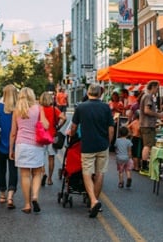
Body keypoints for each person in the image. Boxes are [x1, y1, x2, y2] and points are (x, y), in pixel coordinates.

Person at [70, 84, 114, 218]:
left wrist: (72, 137)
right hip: (102, 145)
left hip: (87, 145)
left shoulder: (81, 107)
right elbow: (111, 129)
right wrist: (108, 143)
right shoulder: (106, 107)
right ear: (100, 94)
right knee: (100, 173)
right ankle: (93, 201)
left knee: (87, 173)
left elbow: (73, 127)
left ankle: (93, 201)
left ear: (88, 93)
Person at [9, 87, 47, 213]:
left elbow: (13, 132)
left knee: (25, 175)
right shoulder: (38, 108)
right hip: (36, 144)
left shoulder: (16, 110)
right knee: (37, 173)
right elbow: (45, 125)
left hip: (21, 145)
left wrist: (11, 149)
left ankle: (27, 204)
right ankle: (35, 196)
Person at [0, 84, 18, 209]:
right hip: (15, 145)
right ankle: (11, 196)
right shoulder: (18, 109)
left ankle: (2, 194)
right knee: (13, 170)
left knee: (1, 169)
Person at [39, 91, 65, 187]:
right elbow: (64, 118)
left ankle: (43, 173)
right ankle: (49, 179)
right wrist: (59, 126)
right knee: (51, 157)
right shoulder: (55, 109)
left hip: (41, 136)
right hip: (52, 136)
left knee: (40, 157)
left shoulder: (39, 109)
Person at [138, 80, 163, 174]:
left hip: (145, 124)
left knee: (147, 145)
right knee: (147, 146)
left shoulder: (145, 96)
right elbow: (147, 110)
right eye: (157, 88)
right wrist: (158, 115)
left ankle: (145, 165)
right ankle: (144, 167)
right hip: (147, 125)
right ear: (152, 87)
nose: (157, 90)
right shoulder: (148, 96)